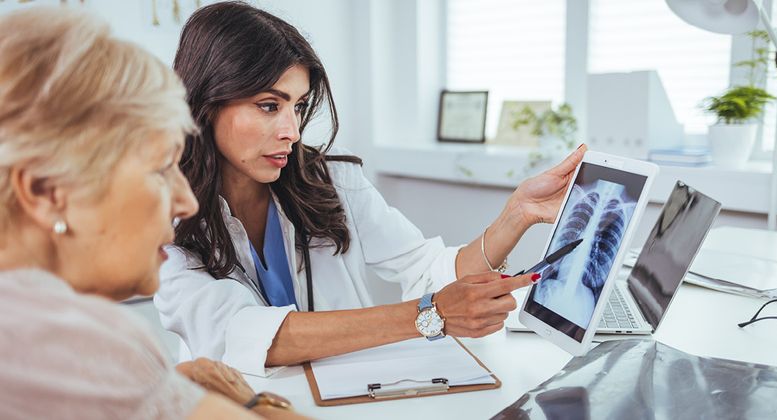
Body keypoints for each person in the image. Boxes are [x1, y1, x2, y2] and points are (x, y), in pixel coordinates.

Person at [156, 1, 586, 374]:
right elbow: (245, 334)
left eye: (299, 106)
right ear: (207, 103)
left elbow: (425, 269)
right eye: (269, 106)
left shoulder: (328, 179)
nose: (291, 130)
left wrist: (517, 215)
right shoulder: (162, 216)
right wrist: (429, 314)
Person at [0, 7, 303, 420]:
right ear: (45, 191)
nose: (187, 202)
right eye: (161, 169)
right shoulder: (69, 340)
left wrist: (160, 392)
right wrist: (252, 403)